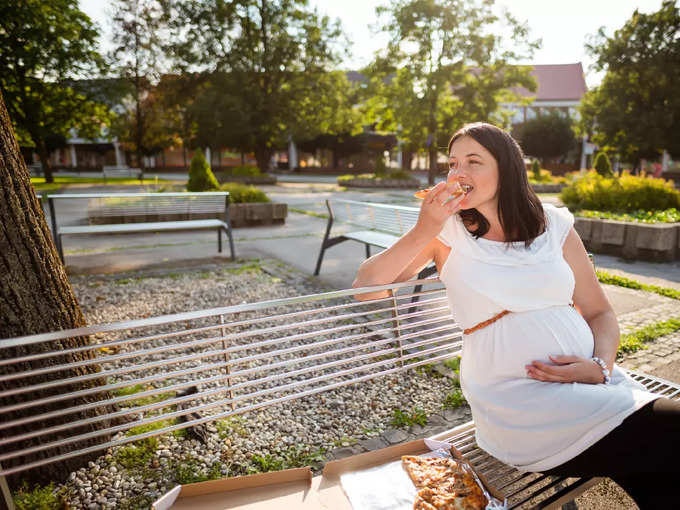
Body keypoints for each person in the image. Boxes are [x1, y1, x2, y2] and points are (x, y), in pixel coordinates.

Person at [352, 122, 679, 509]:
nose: (458, 173)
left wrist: (600, 367)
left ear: (507, 169)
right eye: (453, 164)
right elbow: (367, 289)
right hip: (519, 403)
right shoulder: (445, 233)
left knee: (664, 478)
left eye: (474, 162)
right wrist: (425, 228)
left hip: (592, 388)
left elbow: (600, 312)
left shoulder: (553, 224)